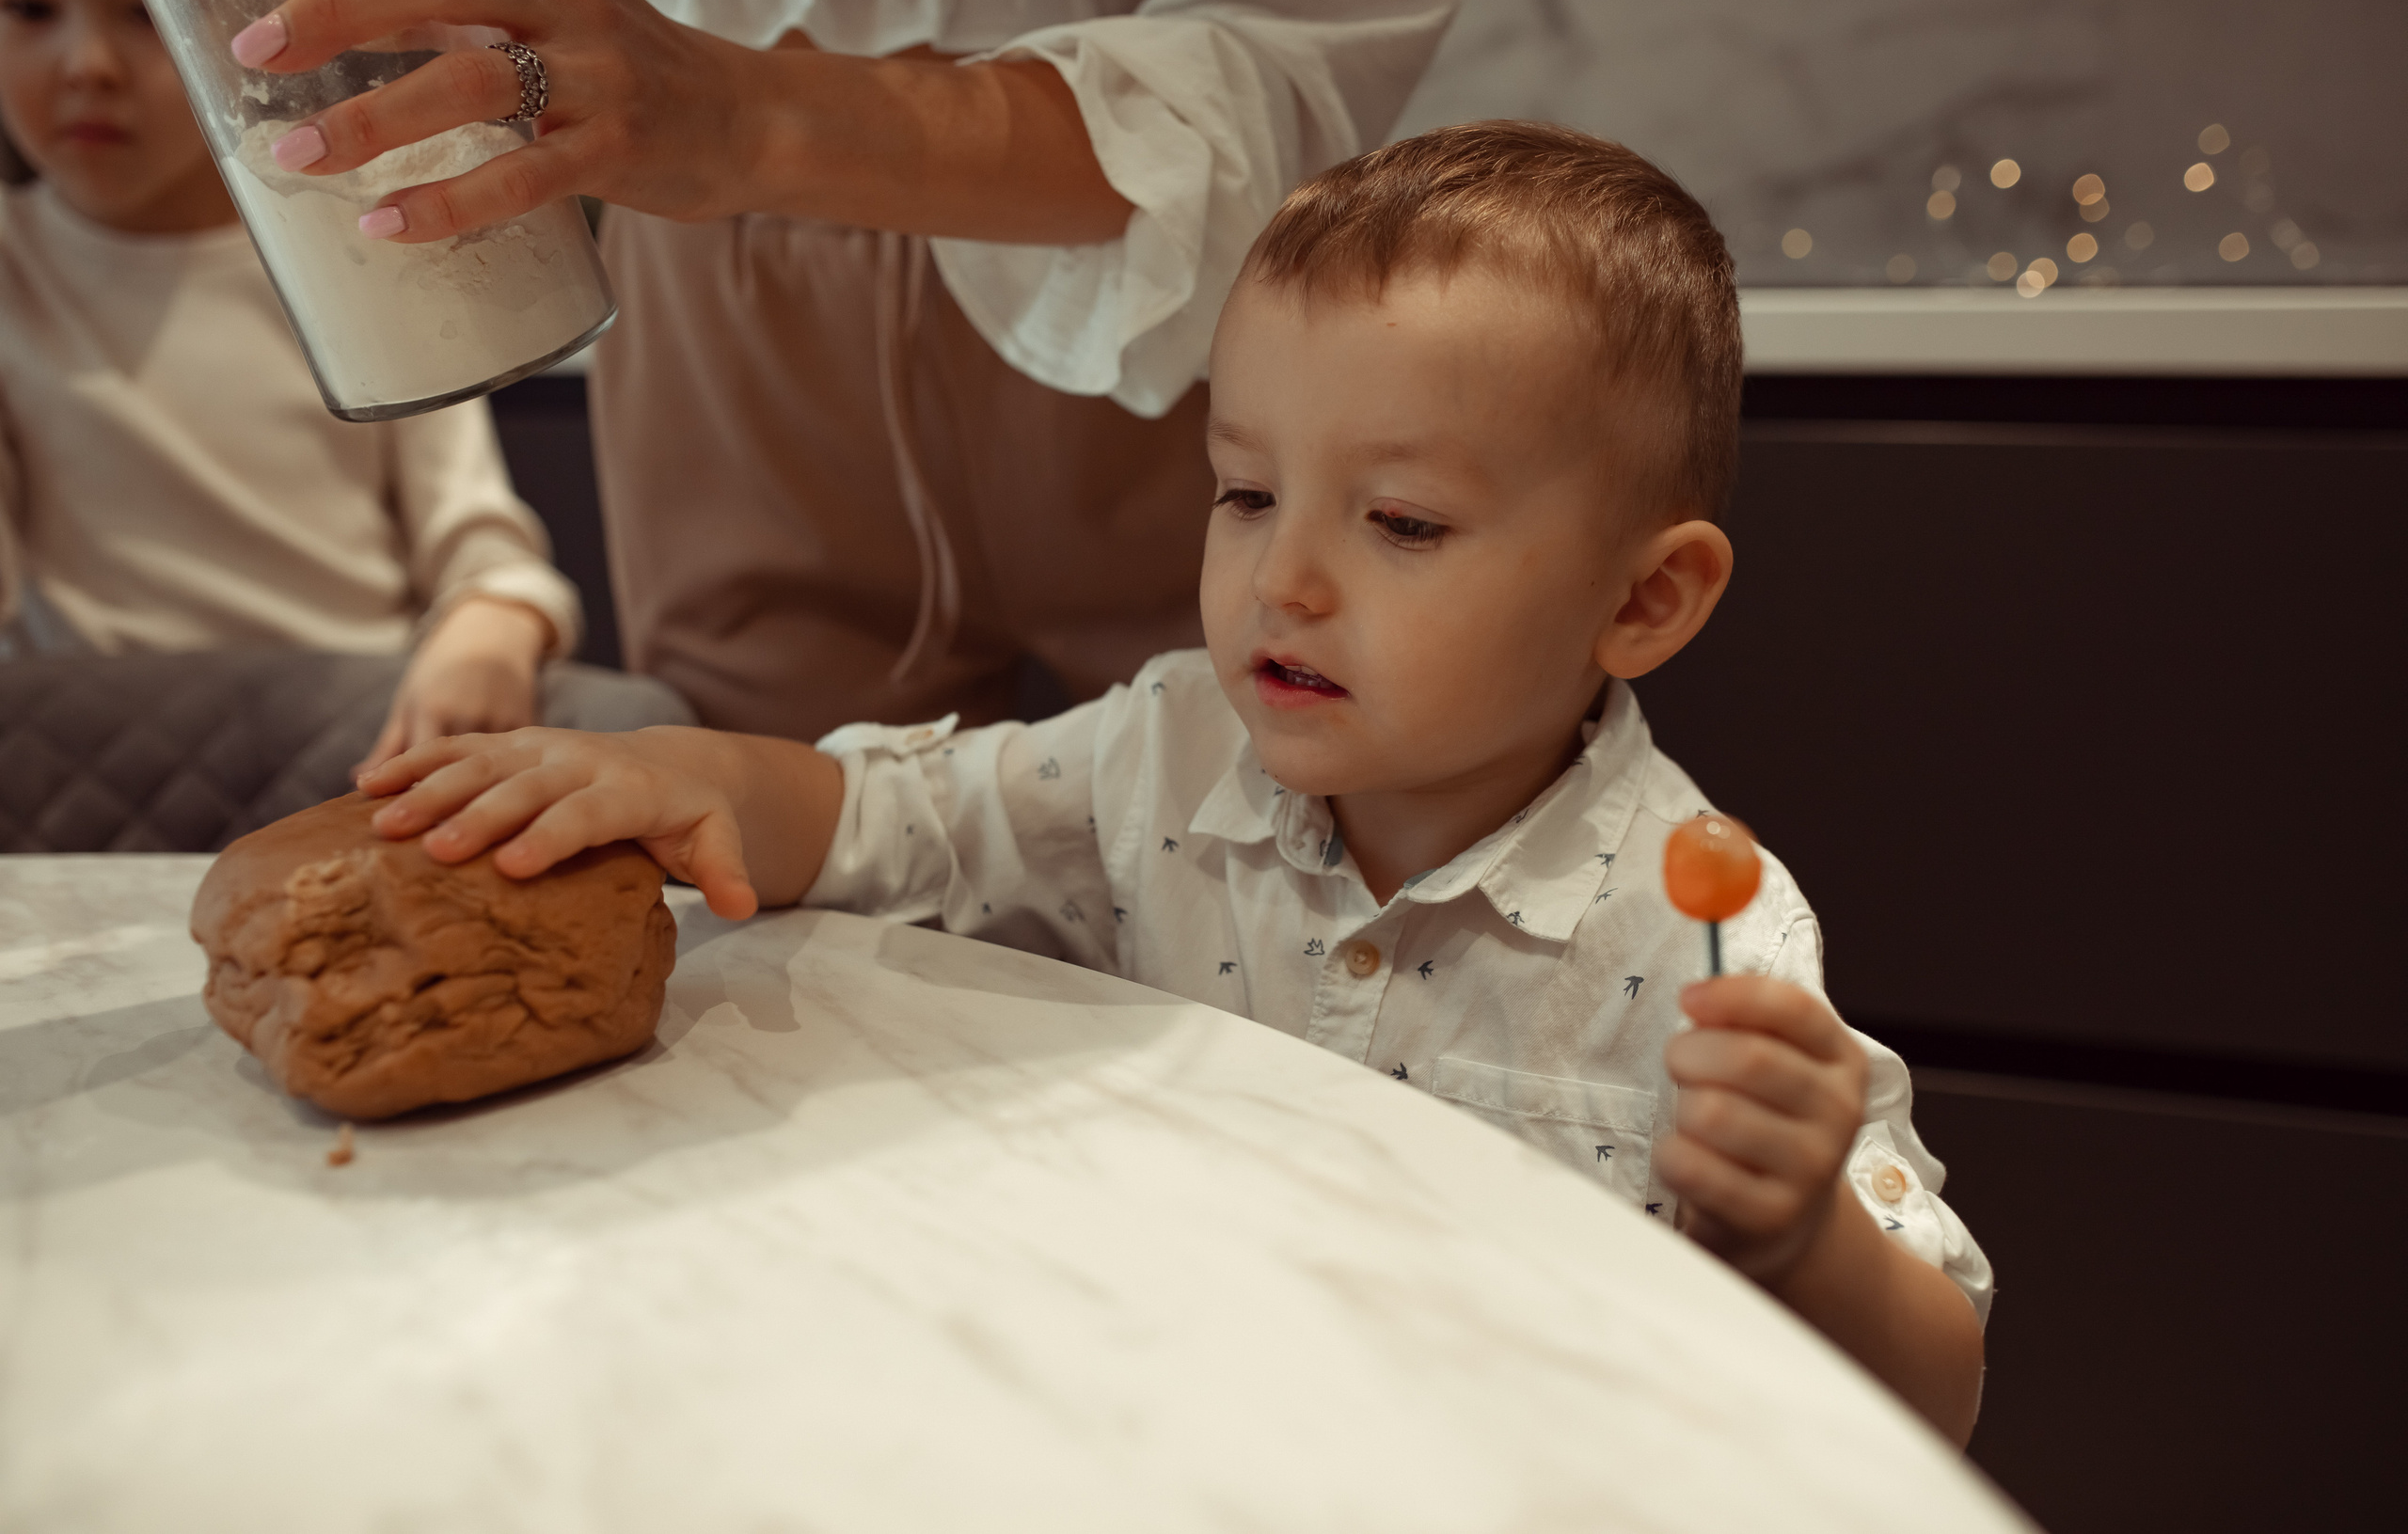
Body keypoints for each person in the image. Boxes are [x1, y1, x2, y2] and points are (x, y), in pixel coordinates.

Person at [359, 123, 1992, 1443]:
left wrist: (1796, 1240)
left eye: (1401, 523)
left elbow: (1939, 1385)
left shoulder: (1704, 934)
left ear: (1644, 600)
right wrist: (687, 773)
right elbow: (895, 818)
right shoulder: (1163, 754)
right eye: (1243, 491)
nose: (1283, 579)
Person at [229, 0, 1479, 737]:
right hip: (711, 280)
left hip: (1169, 299)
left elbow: (1308, 11)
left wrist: (742, 118)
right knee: (783, 959)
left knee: (1277, 921)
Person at [0, 0, 687, 771]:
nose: (88, 65)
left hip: (361, 743)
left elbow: (480, 550)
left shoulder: (371, 231)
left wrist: (493, 626)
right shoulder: (14, 273)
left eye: (145, 13)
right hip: (106, 765)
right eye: (28, 7)